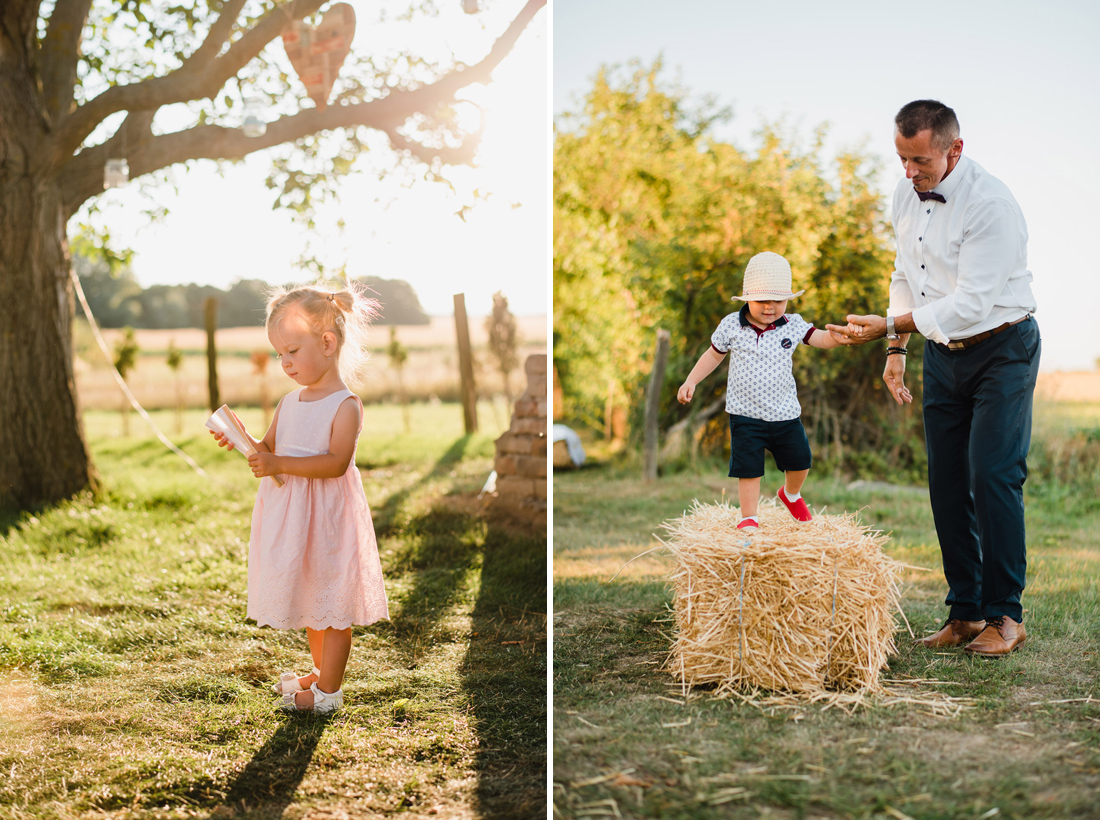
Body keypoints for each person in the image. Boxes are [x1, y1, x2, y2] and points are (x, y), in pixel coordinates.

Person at [826, 100, 1039, 658]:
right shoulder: (904, 194)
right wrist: (896, 348)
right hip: (940, 352)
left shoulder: (991, 204)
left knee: (992, 476)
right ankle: (966, 611)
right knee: (946, 482)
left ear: (954, 150)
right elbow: (905, 273)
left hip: (1002, 348)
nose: (909, 172)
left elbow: (972, 302)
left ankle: (1006, 615)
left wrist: (890, 326)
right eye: (901, 158)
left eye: (919, 160)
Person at [210, 283, 390, 711]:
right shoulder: (289, 402)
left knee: (334, 604)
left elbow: (335, 464)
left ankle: (329, 694)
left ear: (327, 343)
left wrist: (278, 465)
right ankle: (319, 672)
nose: (284, 363)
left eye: (292, 350)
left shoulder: (345, 405)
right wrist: (242, 441)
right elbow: (270, 450)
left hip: (328, 520)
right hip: (294, 519)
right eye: (279, 354)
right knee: (313, 600)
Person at [677, 251, 840, 531]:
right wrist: (691, 380)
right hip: (745, 414)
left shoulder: (793, 324)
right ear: (746, 299)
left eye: (777, 301)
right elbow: (713, 355)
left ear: (787, 300)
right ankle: (748, 518)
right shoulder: (732, 325)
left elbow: (820, 339)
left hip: (784, 413)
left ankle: (790, 495)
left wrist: (838, 338)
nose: (769, 307)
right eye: (762, 300)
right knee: (749, 469)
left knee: (801, 461)